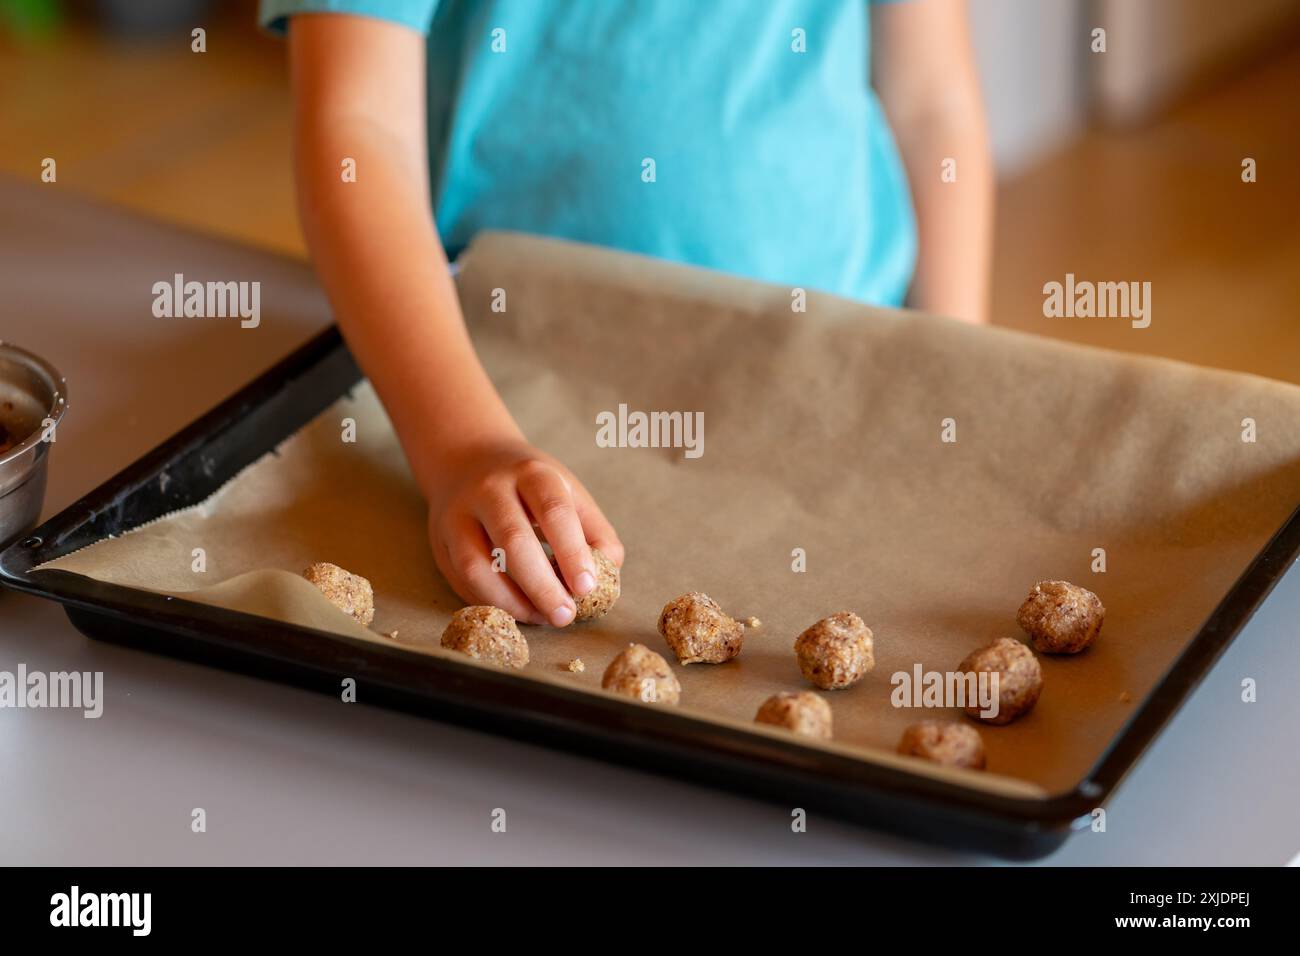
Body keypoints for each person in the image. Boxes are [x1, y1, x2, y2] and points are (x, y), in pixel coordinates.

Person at [261, 0, 993, 628]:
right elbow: (360, 128)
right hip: (508, 368)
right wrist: (462, 446)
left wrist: (956, 363)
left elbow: (932, 103)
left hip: (851, 347)